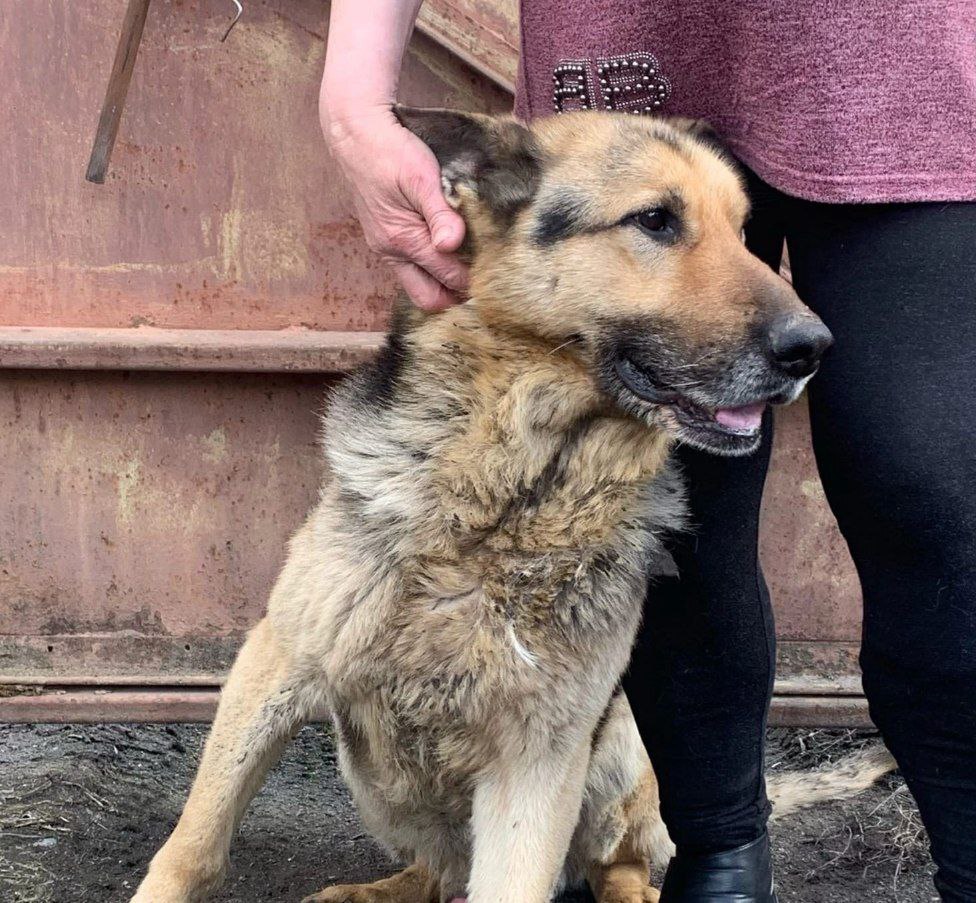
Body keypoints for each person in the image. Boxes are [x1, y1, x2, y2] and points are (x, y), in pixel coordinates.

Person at [320, 2, 976, 900]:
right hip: (631, 52)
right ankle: (716, 859)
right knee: (676, 530)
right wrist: (353, 99)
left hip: (899, 60)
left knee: (936, 498)